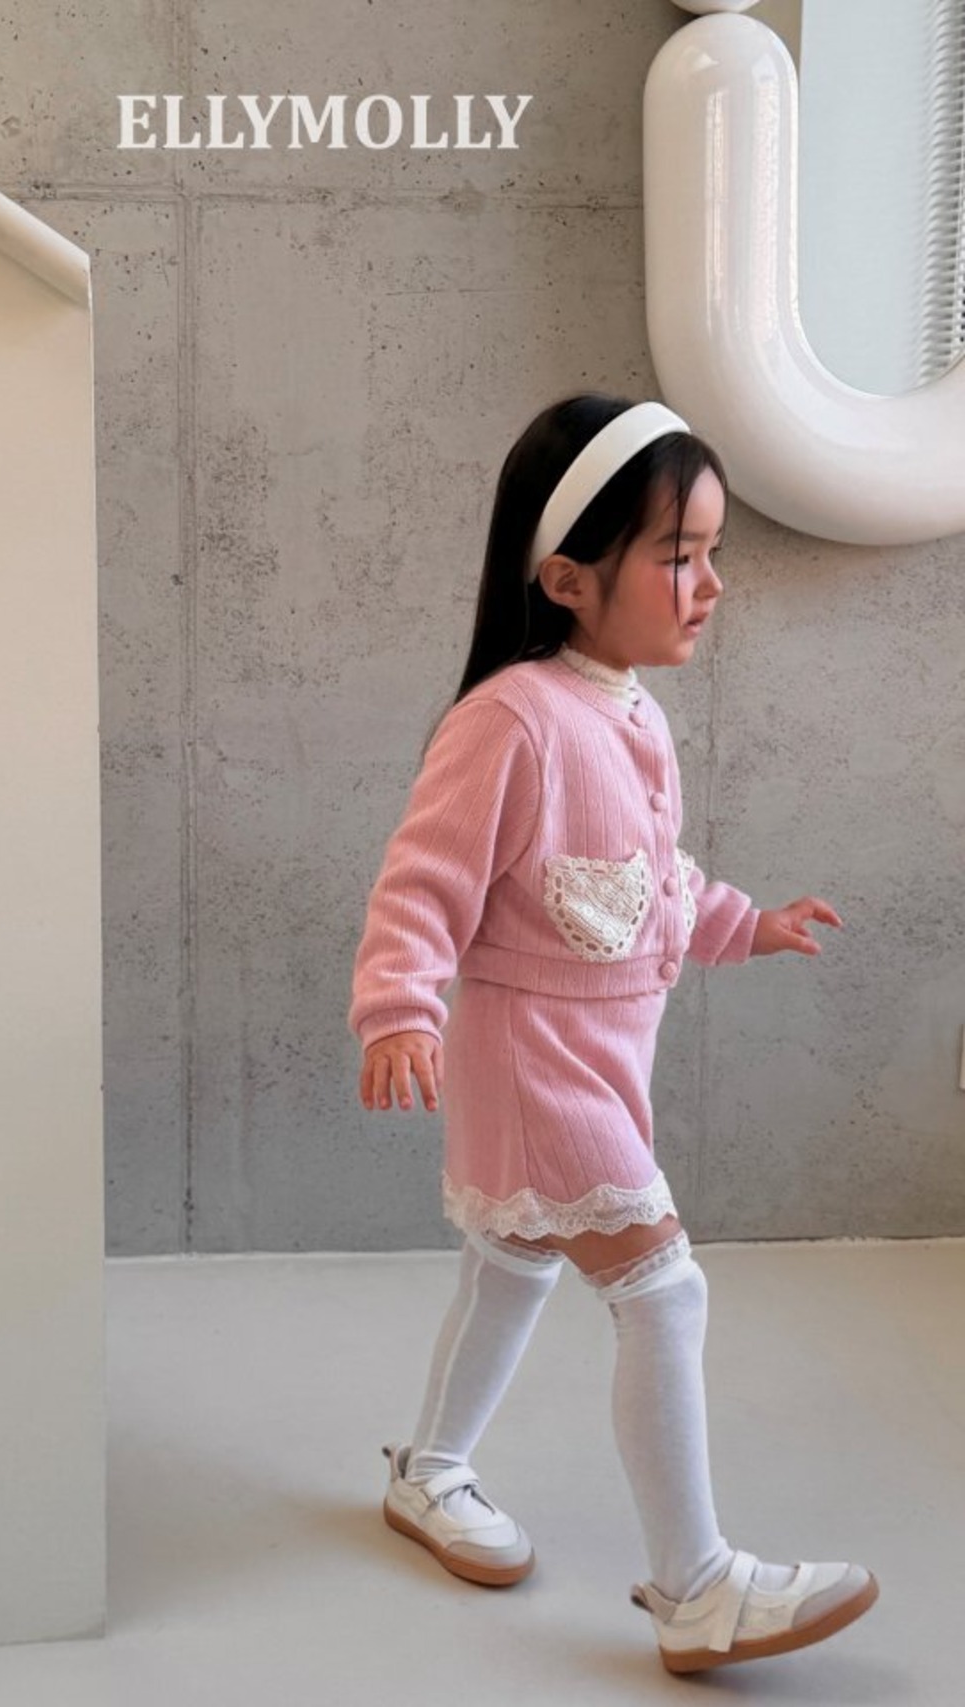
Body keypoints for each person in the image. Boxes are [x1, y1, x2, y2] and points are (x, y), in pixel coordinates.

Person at [347, 394, 878, 1675]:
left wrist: (743, 923)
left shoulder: (628, 713)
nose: (709, 585)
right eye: (677, 556)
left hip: (597, 1057)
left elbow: (647, 877)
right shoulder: (510, 719)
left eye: (711, 553)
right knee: (659, 1285)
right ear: (567, 578)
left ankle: (428, 1470)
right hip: (534, 1064)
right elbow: (424, 880)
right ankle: (697, 1586)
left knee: (512, 1265)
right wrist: (397, 1007)